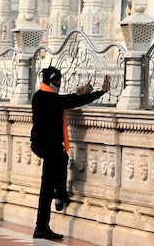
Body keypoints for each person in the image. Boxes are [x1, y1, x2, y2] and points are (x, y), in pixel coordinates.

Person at [31, 67, 110, 241]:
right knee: (47, 187)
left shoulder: (39, 95)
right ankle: (43, 224)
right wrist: (100, 92)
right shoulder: (50, 99)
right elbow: (69, 101)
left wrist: (80, 93)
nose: (60, 83)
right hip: (48, 146)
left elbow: (64, 100)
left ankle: (59, 195)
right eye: (57, 81)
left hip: (43, 145)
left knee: (62, 158)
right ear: (51, 81)